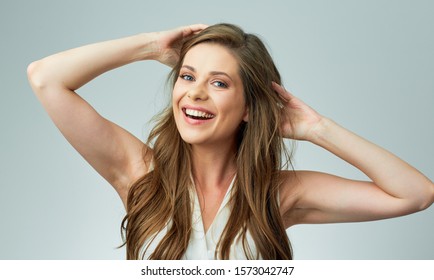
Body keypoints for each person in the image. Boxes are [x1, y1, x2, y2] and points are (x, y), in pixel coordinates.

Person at [27, 23, 434, 260]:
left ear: (248, 107)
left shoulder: (277, 193)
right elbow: (45, 77)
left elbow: (415, 194)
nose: (195, 94)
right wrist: (150, 47)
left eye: (218, 83)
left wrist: (317, 129)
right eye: (187, 76)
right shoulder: (138, 174)